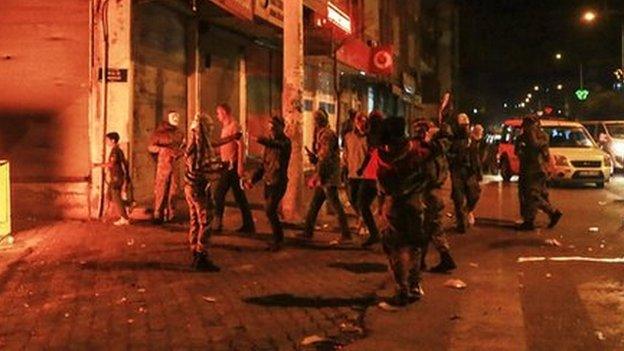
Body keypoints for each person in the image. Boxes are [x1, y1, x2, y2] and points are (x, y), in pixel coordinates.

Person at [377, 117, 428, 306]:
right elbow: (426, 176)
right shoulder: (415, 153)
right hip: (415, 205)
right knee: (415, 245)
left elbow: (383, 185)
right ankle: (415, 285)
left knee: (395, 248)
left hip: (395, 207)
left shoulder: (385, 156)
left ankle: (402, 288)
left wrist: (381, 205)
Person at [300, 109, 352, 244]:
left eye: (316, 119)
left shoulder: (327, 135)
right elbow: (321, 156)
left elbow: (325, 157)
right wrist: (314, 158)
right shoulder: (322, 134)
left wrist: (317, 175)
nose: (315, 122)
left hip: (328, 177)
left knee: (335, 205)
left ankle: (346, 234)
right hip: (325, 175)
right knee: (315, 204)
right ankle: (307, 231)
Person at [412, 119, 457, 273]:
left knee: (429, 227)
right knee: (428, 227)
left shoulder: (430, 150)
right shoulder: (438, 150)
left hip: (429, 192)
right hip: (436, 190)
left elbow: (424, 172)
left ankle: (444, 257)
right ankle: (423, 261)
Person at [246, 116, 292, 251]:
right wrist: (252, 180)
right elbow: (263, 165)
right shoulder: (268, 145)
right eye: (270, 127)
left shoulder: (285, 142)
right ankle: (277, 238)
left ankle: (279, 239)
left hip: (279, 181)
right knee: (269, 211)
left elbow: (277, 145)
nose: (271, 130)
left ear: (281, 128)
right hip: (268, 180)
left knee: (270, 210)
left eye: (274, 127)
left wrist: (262, 140)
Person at [183, 113, 220, 271]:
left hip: (190, 188)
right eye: (209, 127)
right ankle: (201, 255)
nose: (211, 129)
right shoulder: (201, 149)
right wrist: (219, 169)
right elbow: (205, 169)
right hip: (199, 189)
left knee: (194, 221)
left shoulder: (191, 145)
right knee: (206, 221)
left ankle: (195, 251)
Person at [213, 103, 255, 234]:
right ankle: (249, 225)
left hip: (232, 166)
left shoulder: (234, 126)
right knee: (239, 197)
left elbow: (241, 146)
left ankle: (217, 224)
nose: (217, 116)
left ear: (224, 112)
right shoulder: (225, 127)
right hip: (226, 164)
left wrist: (240, 166)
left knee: (219, 194)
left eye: (218, 113)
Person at [516, 115, 563, 230]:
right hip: (526, 170)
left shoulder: (541, 137)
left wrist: (550, 168)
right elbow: (518, 151)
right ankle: (529, 219)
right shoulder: (522, 137)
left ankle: (551, 213)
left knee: (533, 196)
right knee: (526, 195)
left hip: (536, 171)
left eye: (529, 126)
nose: (526, 128)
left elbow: (536, 147)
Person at [343, 112, 381, 247]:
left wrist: (363, 168)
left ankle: (372, 229)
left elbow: (371, 155)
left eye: (364, 121)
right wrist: (346, 166)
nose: (361, 123)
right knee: (355, 201)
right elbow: (347, 153)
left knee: (363, 203)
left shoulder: (371, 138)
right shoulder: (348, 136)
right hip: (354, 173)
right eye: (358, 121)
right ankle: (368, 224)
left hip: (368, 176)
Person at [148, 111, 185, 224]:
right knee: (161, 188)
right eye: (173, 117)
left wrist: (179, 152)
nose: (176, 119)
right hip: (163, 163)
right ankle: (158, 213)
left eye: (177, 116)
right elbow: (150, 147)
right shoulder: (159, 133)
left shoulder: (179, 133)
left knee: (174, 189)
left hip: (175, 163)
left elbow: (184, 146)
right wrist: (163, 150)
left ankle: (170, 214)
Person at [447, 113, 479, 233]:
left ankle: (467, 211)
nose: (465, 126)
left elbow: (476, 156)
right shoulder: (452, 139)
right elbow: (447, 154)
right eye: (462, 124)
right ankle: (461, 224)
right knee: (458, 198)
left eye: (466, 123)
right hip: (457, 171)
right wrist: (456, 157)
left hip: (470, 172)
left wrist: (478, 170)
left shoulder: (471, 139)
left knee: (474, 195)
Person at [94, 132, 131, 226]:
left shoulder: (115, 151)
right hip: (115, 176)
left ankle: (125, 217)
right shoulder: (116, 150)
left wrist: (98, 165)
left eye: (107, 140)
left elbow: (111, 164)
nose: (106, 142)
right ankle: (107, 215)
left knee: (116, 197)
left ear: (113, 140)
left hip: (116, 177)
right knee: (109, 196)